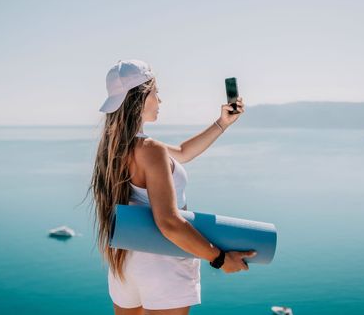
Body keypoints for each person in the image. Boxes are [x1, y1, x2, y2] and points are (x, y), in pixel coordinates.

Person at [89, 59, 257, 315]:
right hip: (163, 265)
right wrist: (220, 258)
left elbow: (183, 152)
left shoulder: (113, 148)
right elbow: (168, 222)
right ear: (141, 97)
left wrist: (222, 123)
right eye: (156, 93)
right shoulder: (150, 150)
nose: (160, 100)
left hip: (125, 263)